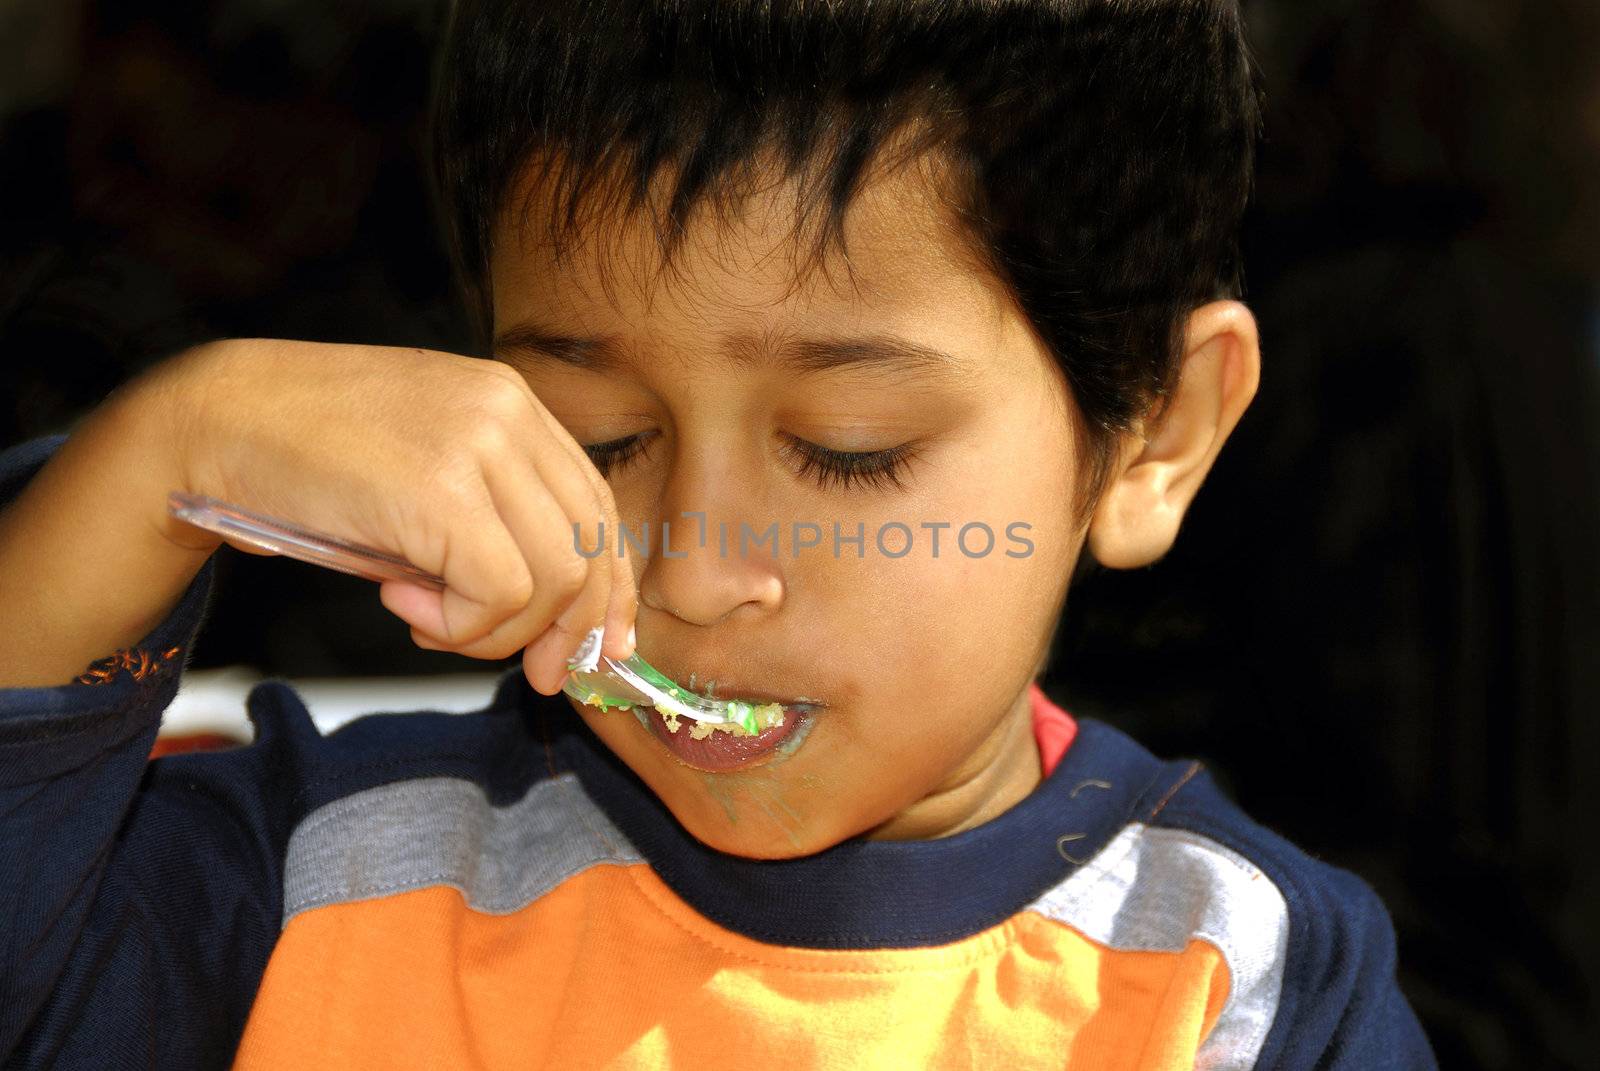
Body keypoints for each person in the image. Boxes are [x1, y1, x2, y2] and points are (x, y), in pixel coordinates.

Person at [0, 1, 1436, 1067]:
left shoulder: (1241, 988)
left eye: (845, 452)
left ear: (1155, 433)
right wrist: (166, 457)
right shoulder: (324, 878)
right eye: (598, 437)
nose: (688, 571)